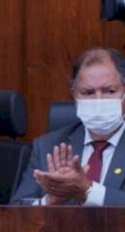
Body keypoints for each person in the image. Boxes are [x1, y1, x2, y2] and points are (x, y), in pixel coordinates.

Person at [11, 47, 125, 206]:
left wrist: (89, 190)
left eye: (109, 91)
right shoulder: (47, 146)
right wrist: (51, 200)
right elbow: (15, 213)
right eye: (87, 93)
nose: (98, 100)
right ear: (74, 96)